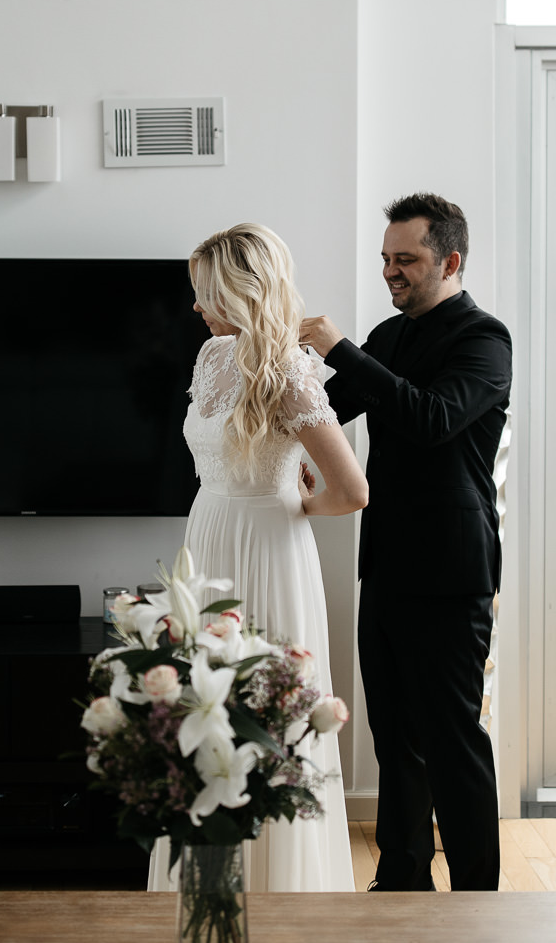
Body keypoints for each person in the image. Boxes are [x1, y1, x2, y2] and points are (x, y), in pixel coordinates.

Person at [145, 222, 368, 893]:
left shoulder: (292, 371)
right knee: (206, 712)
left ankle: (282, 894)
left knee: (269, 714)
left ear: (237, 291)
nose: (194, 305)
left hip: (272, 548)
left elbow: (352, 490)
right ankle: (207, 890)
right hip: (209, 537)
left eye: (203, 291)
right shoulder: (212, 356)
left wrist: (298, 504)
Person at [301, 193, 511, 893]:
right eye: (386, 258)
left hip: (452, 573)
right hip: (386, 565)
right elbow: (329, 411)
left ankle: (479, 896)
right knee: (395, 741)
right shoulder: (388, 339)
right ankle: (401, 884)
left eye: (407, 260)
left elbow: (429, 419)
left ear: (450, 260)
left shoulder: (485, 339)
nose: (391, 271)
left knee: (453, 744)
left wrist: (339, 348)